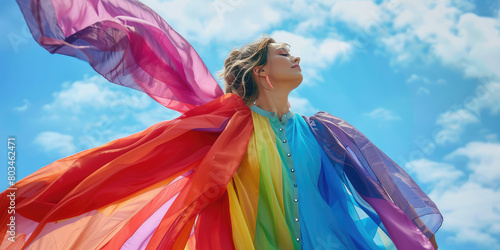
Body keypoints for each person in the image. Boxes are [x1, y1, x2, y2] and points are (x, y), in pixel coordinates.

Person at [1, 0, 442, 249]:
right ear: (260, 72)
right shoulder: (224, 123)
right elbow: (127, 160)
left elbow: (372, 198)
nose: (297, 58)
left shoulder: (324, 133)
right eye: (285, 54)